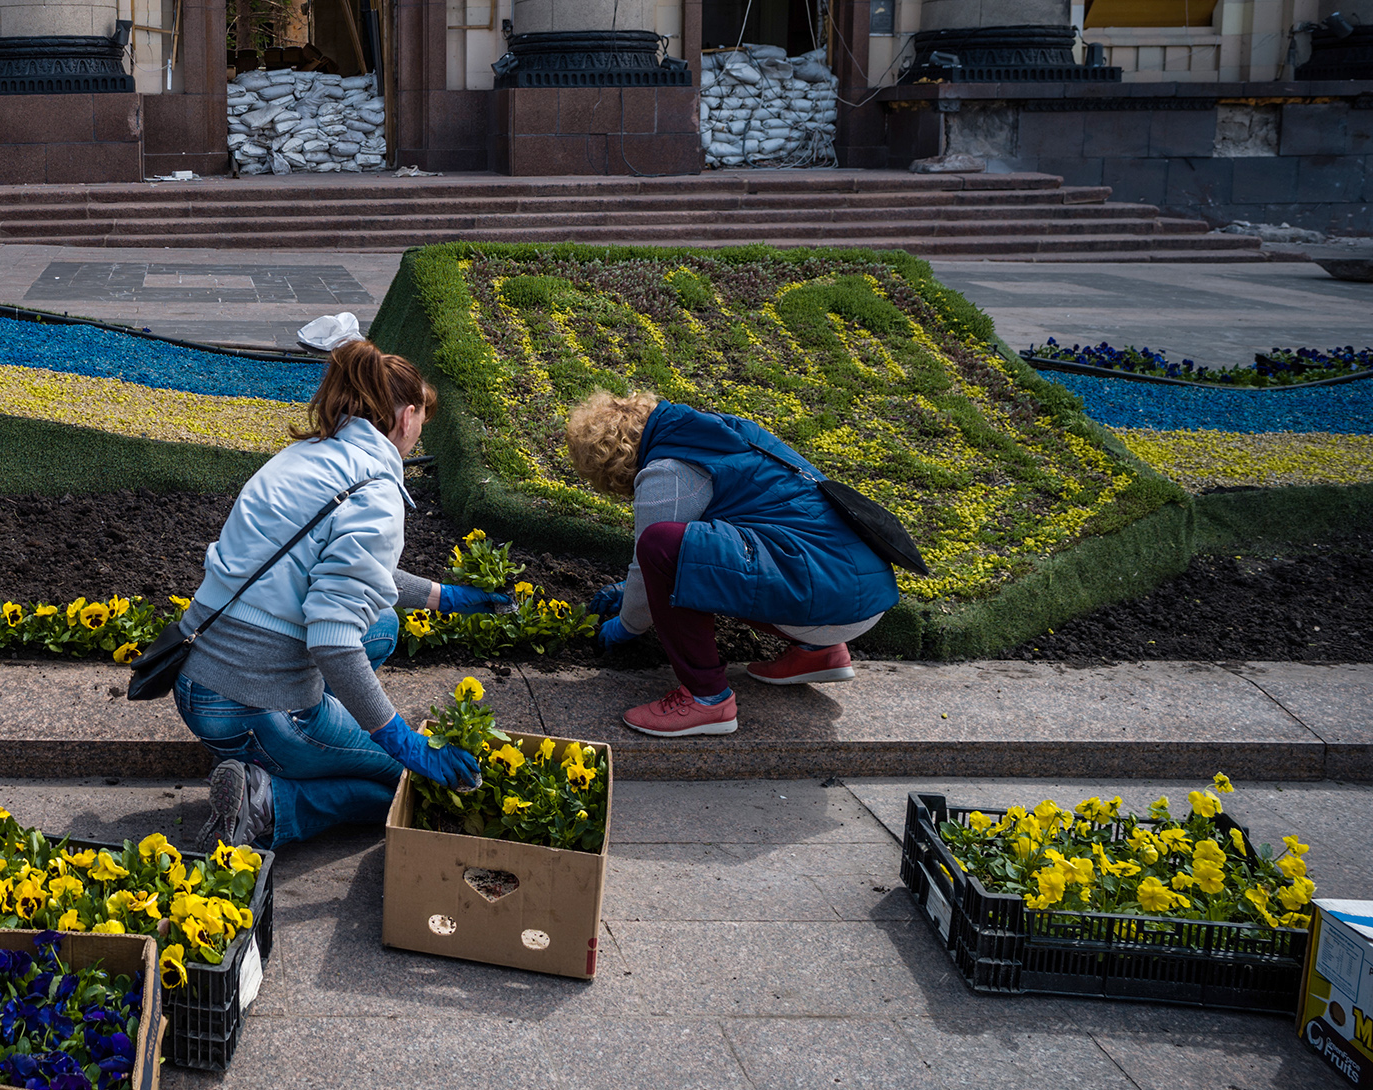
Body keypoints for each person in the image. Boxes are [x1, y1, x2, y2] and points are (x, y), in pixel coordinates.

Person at [183, 340, 516, 850]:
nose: (419, 430)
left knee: (381, 623)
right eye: (422, 419)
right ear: (406, 419)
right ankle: (268, 798)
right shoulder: (377, 494)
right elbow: (334, 641)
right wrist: (404, 743)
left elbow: (335, 573)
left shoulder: (307, 456)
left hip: (195, 678)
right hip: (255, 707)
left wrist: (445, 597)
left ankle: (304, 751)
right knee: (404, 786)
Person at [564, 389, 899, 739]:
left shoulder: (668, 472)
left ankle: (706, 699)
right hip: (862, 591)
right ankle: (820, 652)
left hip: (829, 601)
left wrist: (626, 626)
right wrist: (634, 589)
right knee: (721, 553)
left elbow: (654, 563)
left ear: (607, 463)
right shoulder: (724, 433)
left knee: (661, 547)